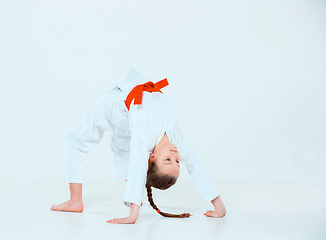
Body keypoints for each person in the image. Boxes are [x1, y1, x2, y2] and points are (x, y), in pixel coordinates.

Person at [50, 68, 226, 224]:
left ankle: (75, 201)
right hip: (130, 106)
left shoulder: (144, 140)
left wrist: (132, 215)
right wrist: (219, 206)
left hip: (114, 105)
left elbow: (138, 169)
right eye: (177, 161)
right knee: (122, 146)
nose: (174, 154)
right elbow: (196, 166)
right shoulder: (177, 142)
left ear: (152, 157)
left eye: (167, 160)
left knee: (75, 141)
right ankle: (128, 196)